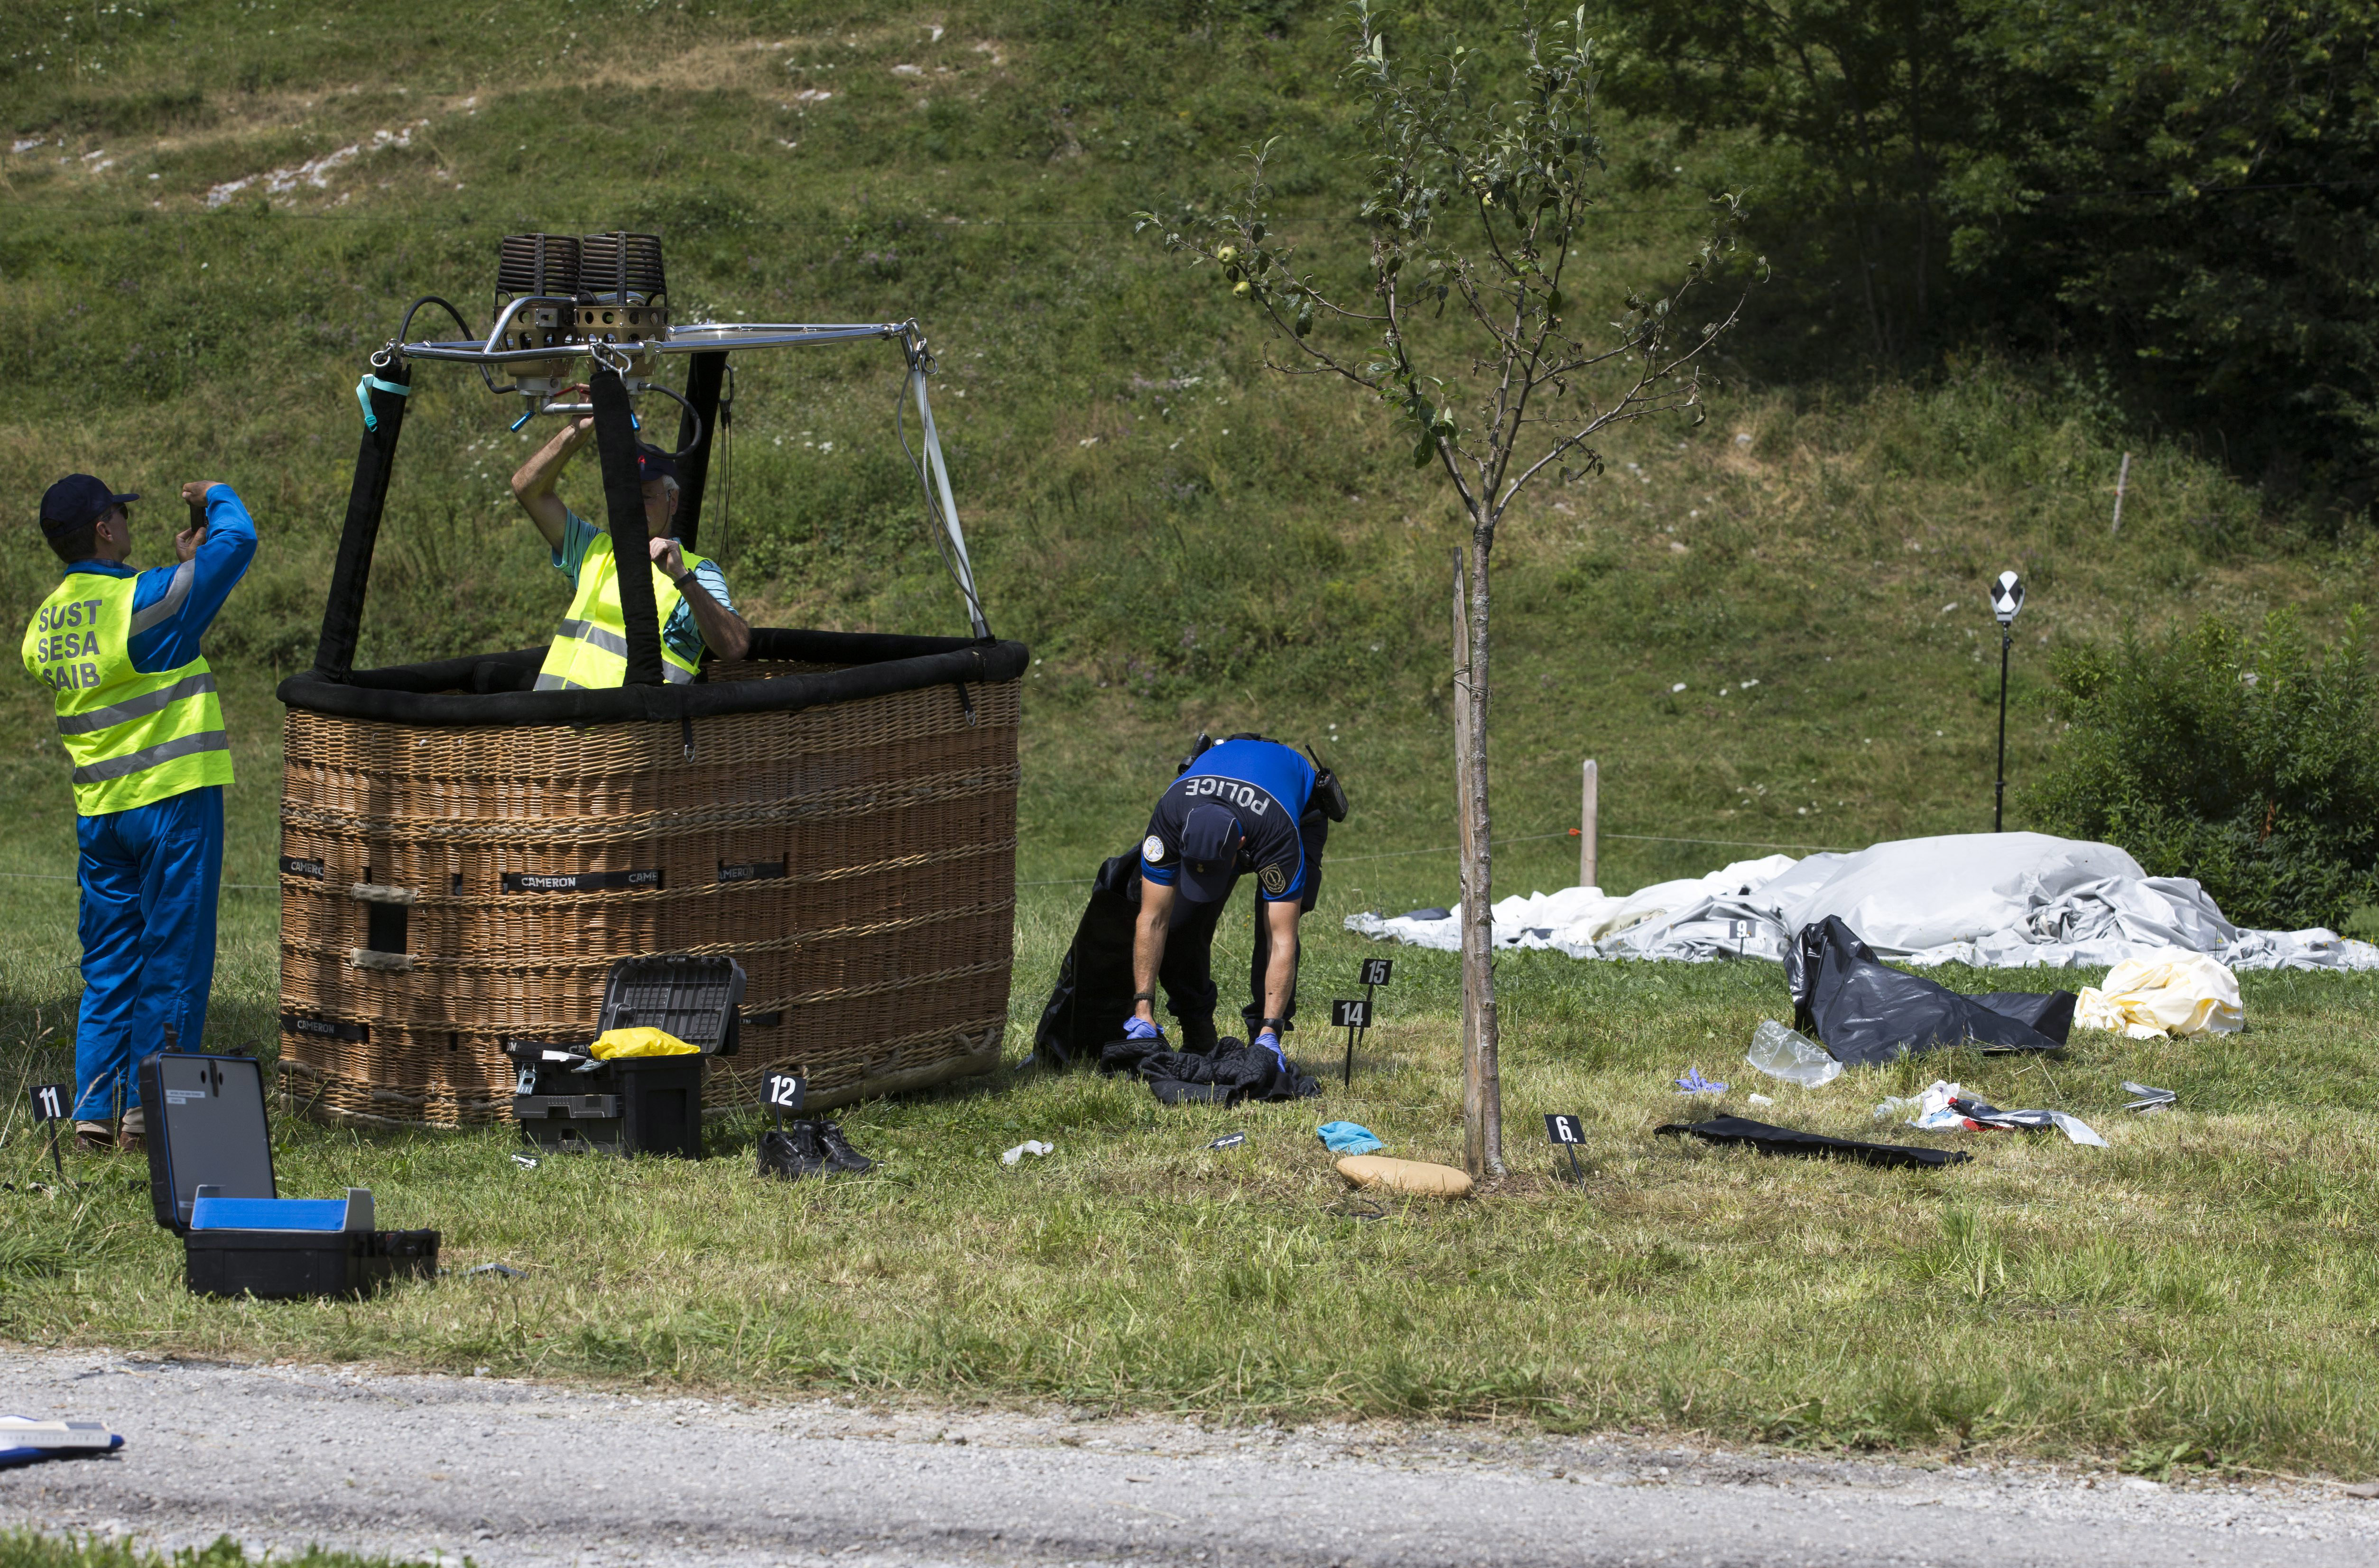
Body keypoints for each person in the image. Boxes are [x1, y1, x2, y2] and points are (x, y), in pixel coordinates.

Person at [20, 473, 256, 1153]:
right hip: (172, 801)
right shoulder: (147, 601)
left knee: (109, 964)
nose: (127, 522)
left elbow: (134, 633)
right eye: (120, 514)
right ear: (103, 528)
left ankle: (94, 1112)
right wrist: (218, 493)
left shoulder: (45, 626)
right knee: (174, 955)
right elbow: (238, 542)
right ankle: (152, 1114)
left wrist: (182, 571)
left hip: (101, 815)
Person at [1122, 734, 1346, 1069]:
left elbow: (1280, 940)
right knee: (1181, 925)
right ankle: (1197, 1032)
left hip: (1294, 814)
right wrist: (1143, 1008)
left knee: (1271, 926)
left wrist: (1270, 1031)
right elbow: (1152, 919)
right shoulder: (1169, 817)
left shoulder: (1277, 833)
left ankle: (1264, 1038)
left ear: (1241, 845)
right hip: (1227, 794)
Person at [509, 416, 749, 688]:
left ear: (673, 501)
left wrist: (682, 577)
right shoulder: (594, 550)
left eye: (646, 496)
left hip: (629, 718)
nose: (635, 505)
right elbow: (528, 488)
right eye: (628, 495)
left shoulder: (697, 571)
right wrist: (579, 429)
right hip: (555, 715)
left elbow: (734, 646)